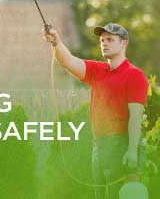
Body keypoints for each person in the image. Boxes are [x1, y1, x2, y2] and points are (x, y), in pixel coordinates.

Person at [43, 23, 149, 199]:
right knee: (101, 196)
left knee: (125, 195)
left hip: (122, 145)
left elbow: (136, 117)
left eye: (110, 40)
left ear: (124, 43)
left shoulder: (134, 75)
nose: (104, 43)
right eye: (102, 40)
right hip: (99, 147)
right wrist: (56, 41)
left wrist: (131, 151)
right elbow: (68, 61)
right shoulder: (97, 71)